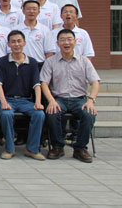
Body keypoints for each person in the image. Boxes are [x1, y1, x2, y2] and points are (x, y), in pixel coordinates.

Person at [41, 28, 100, 163]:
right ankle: (57, 146)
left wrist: (91, 100)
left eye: (69, 39)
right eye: (62, 40)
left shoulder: (84, 61)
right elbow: (44, 83)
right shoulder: (50, 61)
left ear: (75, 42)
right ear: (57, 43)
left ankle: (80, 148)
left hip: (79, 100)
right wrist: (51, 101)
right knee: (52, 113)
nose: (66, 42)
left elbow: (95, 82)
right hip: (59, 99)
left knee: (89, 114)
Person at [0, 30, 46, 160]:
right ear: (8, 44)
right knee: (6, 114)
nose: (16, 44)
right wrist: (3, 102)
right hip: (7, 99)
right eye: (13, 42)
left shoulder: (32, 62)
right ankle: (9, 149)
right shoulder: (1, 62)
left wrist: (38, 102)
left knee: (39, 114)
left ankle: (32, 149)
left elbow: (37, 85)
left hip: (25, 101)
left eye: (19, 41)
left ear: (24, 43)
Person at [15, 0, 55, 66]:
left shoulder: (45, 30)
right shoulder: (16, 29)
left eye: (34, 9)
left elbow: (49, 52)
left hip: (39, 64)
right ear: (23, 11)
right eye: (28, 9)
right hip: (20, 64)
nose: (31, 11)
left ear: (38, 12)